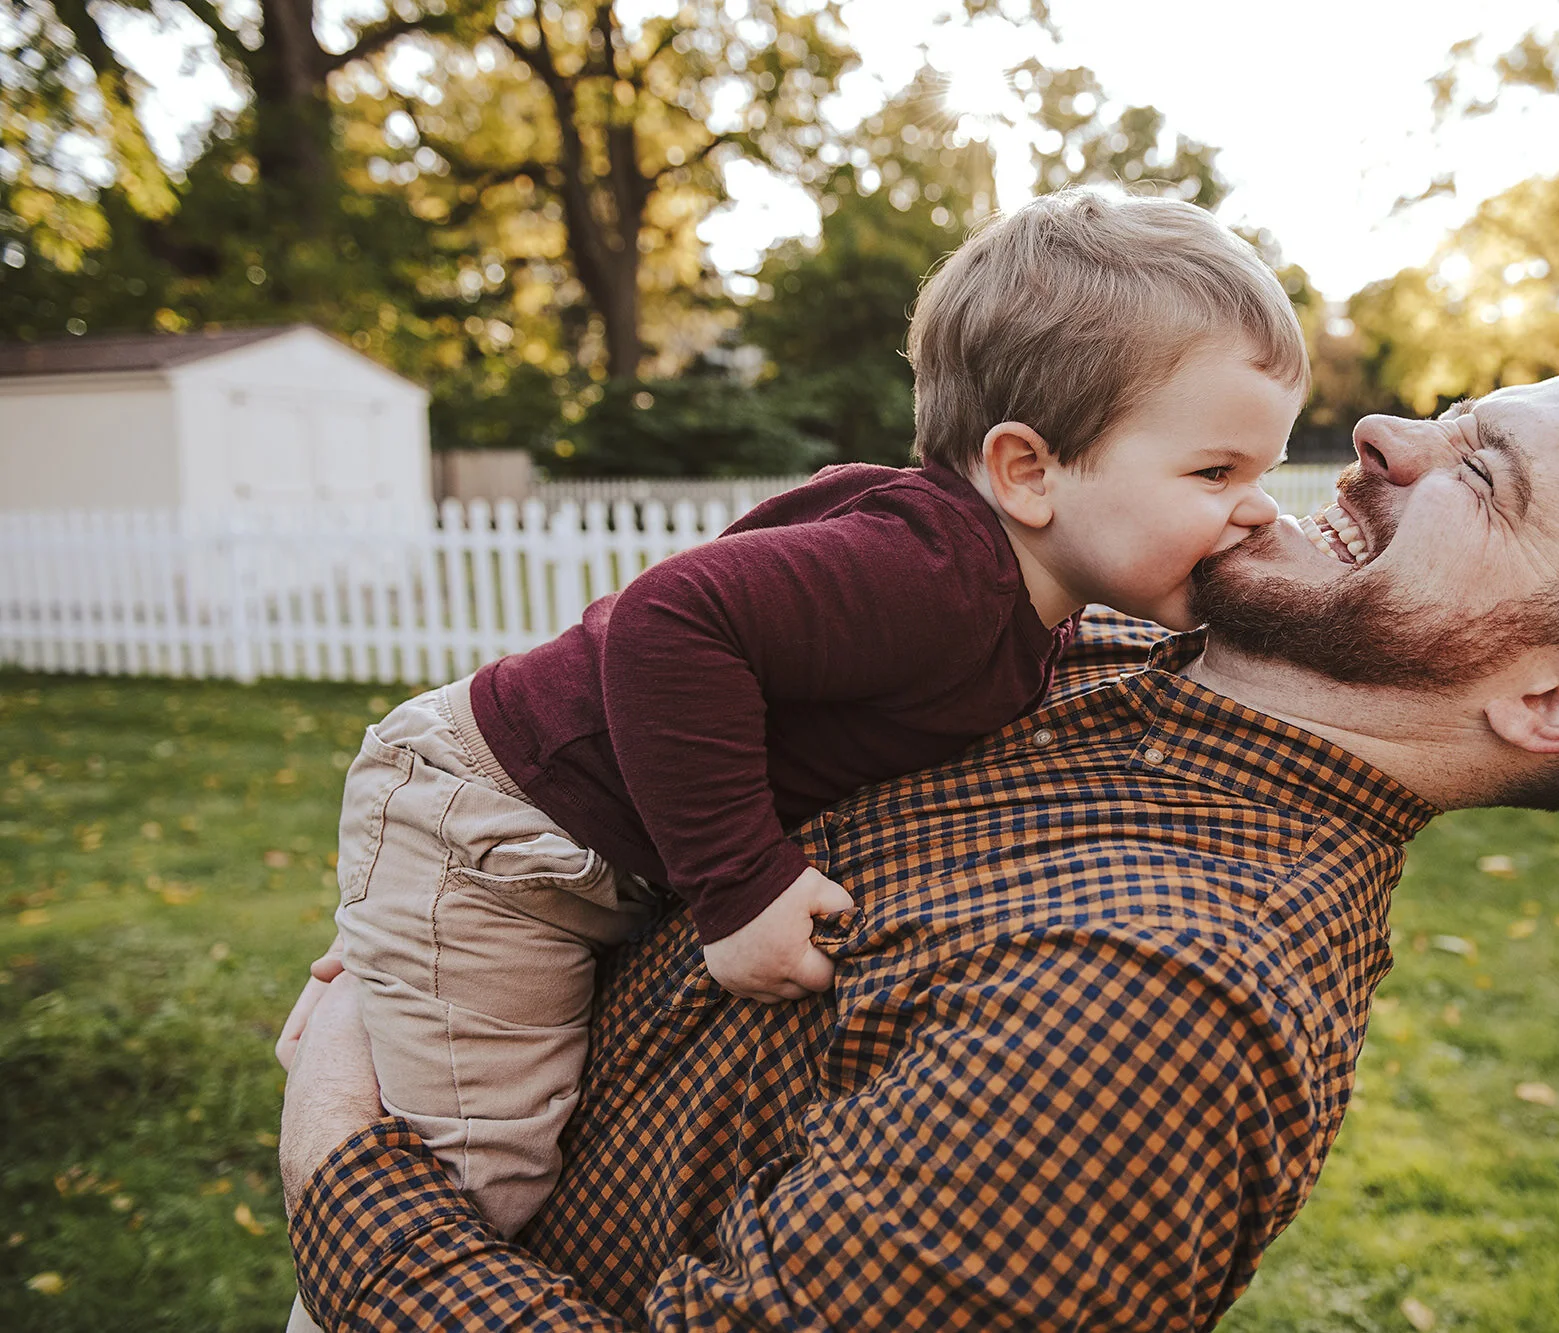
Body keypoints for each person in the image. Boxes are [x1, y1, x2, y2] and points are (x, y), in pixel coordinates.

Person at [279, 353, 1559, 1331]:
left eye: (1480, 472)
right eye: (1452, 413)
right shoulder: (1073, 643)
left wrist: (349, 1153)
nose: (1380, 433)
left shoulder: (1151, 1007)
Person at [314, 187, 1304, 1277]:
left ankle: (389, 978)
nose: (1254, 507)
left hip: (567, 830)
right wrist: (739, 882)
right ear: (1027, 470)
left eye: (1258, 473)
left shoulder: (1027, 602)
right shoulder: (930, 575)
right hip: (506, 822)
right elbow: (670, 620)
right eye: (1215, 473)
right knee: (474, 1182)